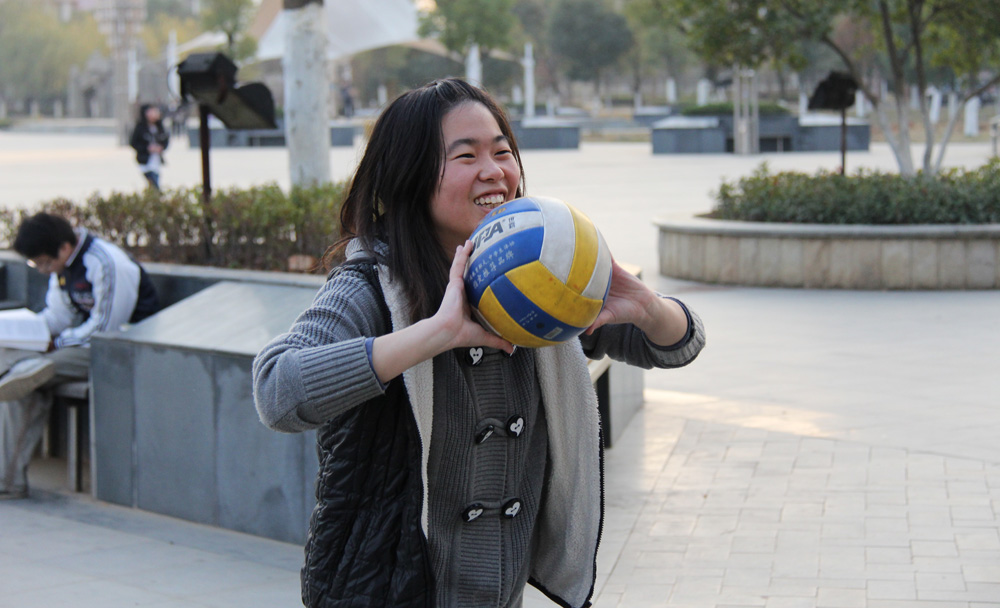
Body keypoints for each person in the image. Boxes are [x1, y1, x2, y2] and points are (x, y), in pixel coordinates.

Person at [252, 78, 706, 608]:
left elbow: (679, 344)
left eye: (502, 151)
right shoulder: (372, 286)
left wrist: (646, 306)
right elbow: (276, 391)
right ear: (410, 176)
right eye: (466, 156)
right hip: (384, 588)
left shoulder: (538, 275)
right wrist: (435, 334)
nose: (494, 171)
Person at [0, 213, 160, 498]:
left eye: (44, 263)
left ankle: (7, 480)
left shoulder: (107, 262)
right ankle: (23, 369)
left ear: (64, 248)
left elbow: (105, 329)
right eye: (35, 264)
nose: (42, 270)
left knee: (29, 377)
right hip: (75, 347)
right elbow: (57, 317)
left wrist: (56, 342)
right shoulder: (63, 268)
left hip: (119, 350)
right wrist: (29, 331)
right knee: (23, 381)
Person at [129, 103, 170, 190]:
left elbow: (165, 141)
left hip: (156, 161)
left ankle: (152, 196)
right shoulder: (140, 127)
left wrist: (160, 147)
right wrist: (147, 148)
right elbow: (133, 143)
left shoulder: (159, 127)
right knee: (154, 184)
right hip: (145, 160)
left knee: (154, 182)